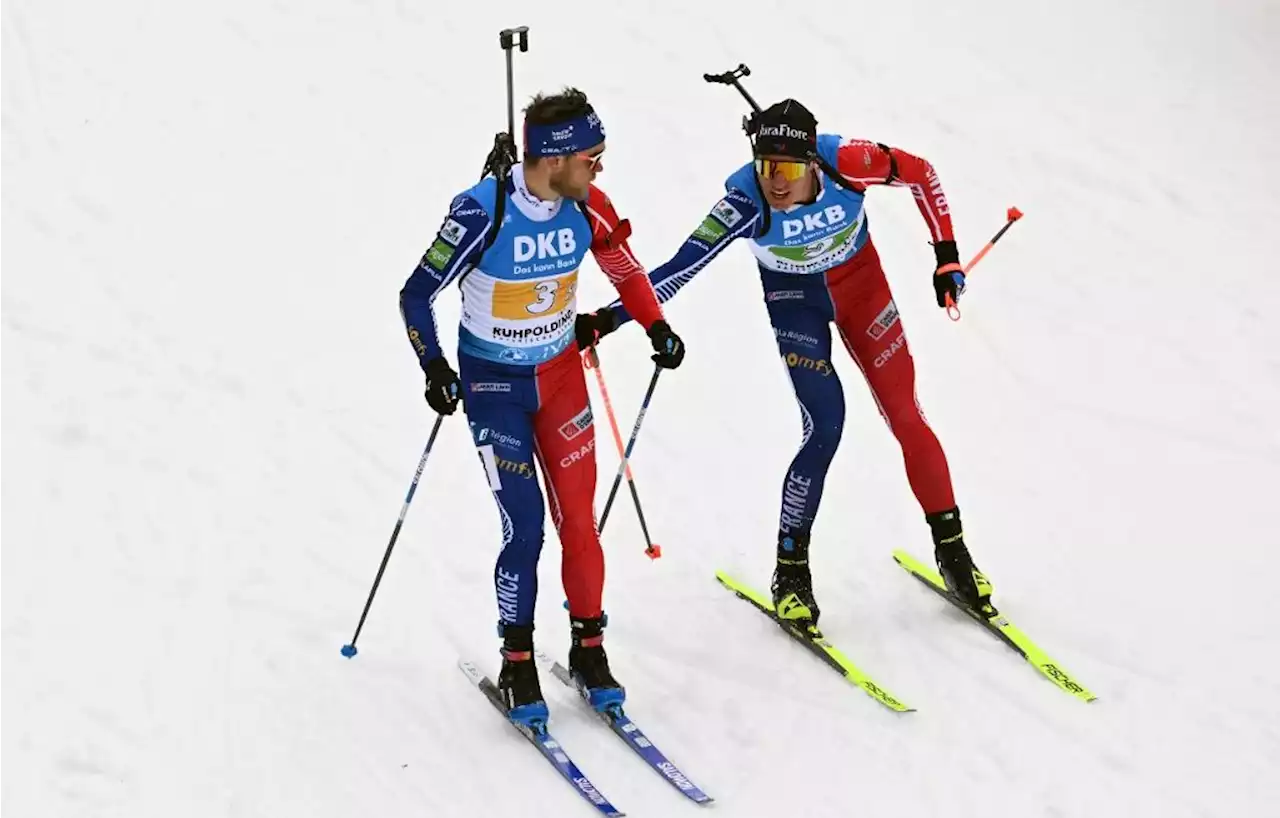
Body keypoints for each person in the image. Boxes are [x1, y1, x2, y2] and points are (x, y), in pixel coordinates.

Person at [578, 98, 993, 629]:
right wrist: (609, 319)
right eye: (766, 166)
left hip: (863, 291)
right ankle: (791, 569)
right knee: (825, 425)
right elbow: (682, 266)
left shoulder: (847, 161)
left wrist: (947, 255)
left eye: (790, 169)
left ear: (812, 164)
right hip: (795, 303)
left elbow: (921, 174)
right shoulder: (744, 203)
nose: (776, 181)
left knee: (905, 415)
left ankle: (953, 551)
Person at [399, 88, 686, 726]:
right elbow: (416, 294)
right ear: (553, 159)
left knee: (579, 522)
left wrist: (655, 326)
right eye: (592, 157)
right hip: (494, 388)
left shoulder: (590, 207)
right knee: (524, 527)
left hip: (560, 380)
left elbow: (627, 271)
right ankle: (518, 659)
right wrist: (435, 368)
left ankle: (589, 651)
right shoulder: (482, 212)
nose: (600, 168)